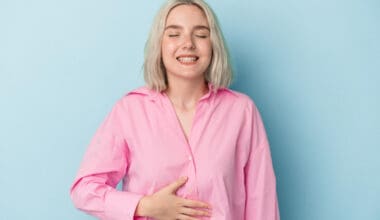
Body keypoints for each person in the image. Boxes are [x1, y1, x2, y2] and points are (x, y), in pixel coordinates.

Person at [70, 0, 280, 219]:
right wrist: (145, 206)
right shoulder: (130, 111)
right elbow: (84, 190)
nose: (187, 43)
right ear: (159, 45)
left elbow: (262, 204)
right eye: (174, 34)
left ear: (214, 44)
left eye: (200, 34)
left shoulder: (242, 112)